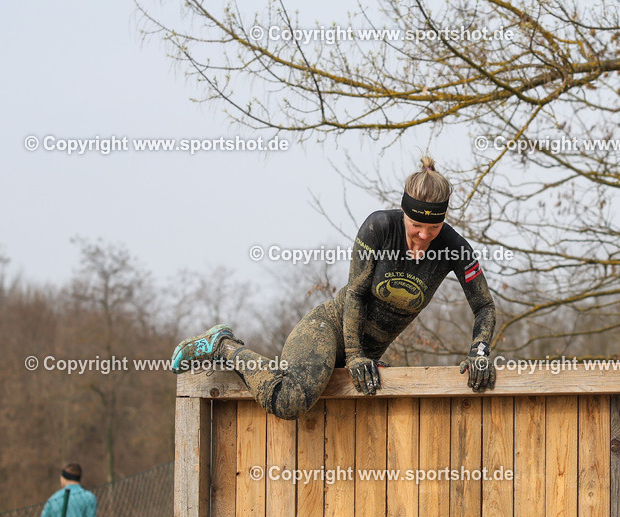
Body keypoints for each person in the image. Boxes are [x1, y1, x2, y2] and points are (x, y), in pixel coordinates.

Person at [170, 156, 497, 420]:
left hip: (367, 354)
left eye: (433, 227)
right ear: (403, 214)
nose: (424, 236)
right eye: (416, 226)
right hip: (328, 329)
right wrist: (354, 355)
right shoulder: (379, 228)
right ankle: (223, 346)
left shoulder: (455, 247)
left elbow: (483, 305)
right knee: (289, 402)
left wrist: (479, 352)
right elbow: (355, 293)